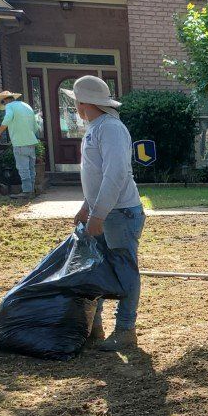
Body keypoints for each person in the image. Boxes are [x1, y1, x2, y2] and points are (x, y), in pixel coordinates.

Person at [63, 75, 145, 352]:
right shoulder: (95, 127)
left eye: (75, 101)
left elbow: (116, 174)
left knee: (124, 270)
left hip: (120, 214)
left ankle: (125, 330)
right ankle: (93, 326)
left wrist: (97, 215)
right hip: (104, 212)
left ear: (84, 103)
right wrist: (87, 208)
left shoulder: (110, 129)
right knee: (96, 267)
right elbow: (96, 175)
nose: (74, 106)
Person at [0, 90, 40, 196]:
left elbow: (7, 119)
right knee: (31, 168)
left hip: (20, 143)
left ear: (5, 101)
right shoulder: (26, 106)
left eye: (3, 103)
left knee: (23, 168)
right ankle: (32, 189)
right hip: (31, 142)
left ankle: (27, 191)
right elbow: (36, 127)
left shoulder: (10, 107)